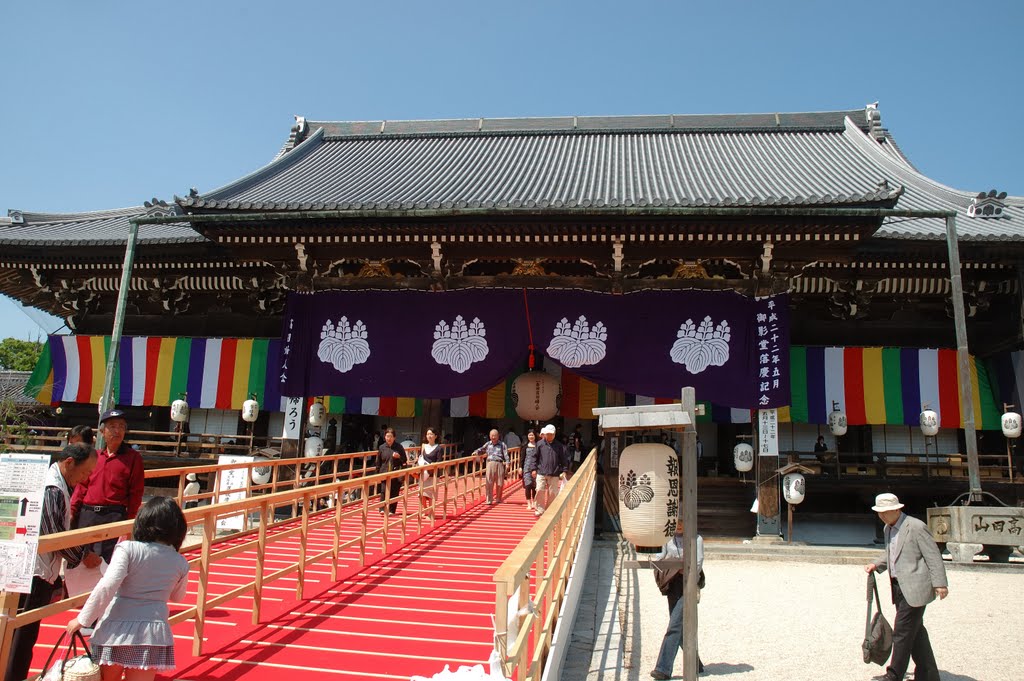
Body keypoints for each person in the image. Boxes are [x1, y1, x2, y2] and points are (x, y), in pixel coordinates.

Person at [66, 496, 190, 681]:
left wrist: (83, 619)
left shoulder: (128, 549)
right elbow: (178, 597)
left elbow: (107, 585)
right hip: (152, 633)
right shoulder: (180, 562)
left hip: (116, 627)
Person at [5, 443, 98, 681]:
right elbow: (51, 534)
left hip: (32, 566)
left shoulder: (58, 485)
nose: (85, 478)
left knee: (20, 631)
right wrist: (81, 555)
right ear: (69, 463)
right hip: (33, 571)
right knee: (23, 634)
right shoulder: (53, 488)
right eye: (85, 472)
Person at [865, 493, 948, 681]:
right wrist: (876, 565)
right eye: (880, 513)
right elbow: (891, 554)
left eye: (886, 512)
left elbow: (933, 555)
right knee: (915, 632)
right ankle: (928, 675)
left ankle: (894, 674)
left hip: (916, 585)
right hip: (898, 586)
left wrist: (940, 583)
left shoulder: (916, 527)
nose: (883, 516)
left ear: (897, 509)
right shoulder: (888, 528)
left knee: (902, 631)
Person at [70, 409, 145, 565]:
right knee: (80, 559)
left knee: (111, 562)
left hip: (114, 515)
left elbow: (136, 492)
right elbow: (82, 486)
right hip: (88, 513)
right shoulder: (94, 456)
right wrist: (72, 510)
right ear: (102, 431)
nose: (117, 430)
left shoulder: (133, 458)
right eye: (112, 426)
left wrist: (130, 522)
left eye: (121, 426)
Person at [651, 519, 705, 679]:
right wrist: (676, 565)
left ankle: (663, 668)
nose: (679, 525)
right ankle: (696, 663)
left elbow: (698, 562)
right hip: (673, 583)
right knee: (679, 625)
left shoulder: (697, 539)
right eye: (676, 521)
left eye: (682, 521)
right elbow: (659, 558)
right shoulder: (667, 538)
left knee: (674, 625)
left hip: (689, 583)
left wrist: (684, 569)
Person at [533, 424, 568, 517]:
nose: (548, 436)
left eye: (550, 434)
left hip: (554, 472)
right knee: (540, 489)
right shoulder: (539, 444)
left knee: (553, 492)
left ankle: (549, 509)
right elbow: (534, 457)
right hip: (541, 471)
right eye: (547, 434)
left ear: (554, 434)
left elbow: (563, 459)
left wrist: (564, 470)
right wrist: (533, 469)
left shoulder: (559, 446)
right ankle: (539, 509)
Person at [474, 428, 510, 504]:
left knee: (500, 482)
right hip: (490, 463)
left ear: (498, 436)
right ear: (490, 436)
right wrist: (476, 452)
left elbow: (506, 455)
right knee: (489, 482)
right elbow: (481, 449)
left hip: (499, 463)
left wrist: (507, 463)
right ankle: (489, 499)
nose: (493, 437)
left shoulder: (502, 444)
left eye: (495, 435)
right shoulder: (488, 444)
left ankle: (498, 498)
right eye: (492, 435)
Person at [376, 427, 406, 515]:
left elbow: (404, 460)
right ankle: (382, 508)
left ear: (394, 437)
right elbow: (378, 461)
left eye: (391, 436)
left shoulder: (399, 447)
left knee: (394, 491)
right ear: (385, 437)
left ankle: (391, 510)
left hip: (396, 471)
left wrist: (399, 457)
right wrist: (377, 472)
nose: (389, 438)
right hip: (384, 471)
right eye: (387, 436)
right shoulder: (382, 447)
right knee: (383, 490)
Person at [418, 427, 442, 514]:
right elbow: (420, 458)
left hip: (433, 474)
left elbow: (439, 461)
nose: (429, 436)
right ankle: (425, 509)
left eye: (431, 434)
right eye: (428, 434)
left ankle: (431, 512)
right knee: (421, 494)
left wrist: (432, 466)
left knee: (431, 494)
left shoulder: (439, 448)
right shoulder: (424, 446)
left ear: (435, 436)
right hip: (423, 473)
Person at [522, 430, 539, 511]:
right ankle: (529, 503)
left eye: (532, 435)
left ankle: (534, 502)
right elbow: (522, 458)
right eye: (529, 435)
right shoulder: (525, 446)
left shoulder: (538, 446)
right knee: (528, 486)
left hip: (536, 469)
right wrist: (520, 467)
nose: (531, 437)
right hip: (526, 468)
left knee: (534, 487)